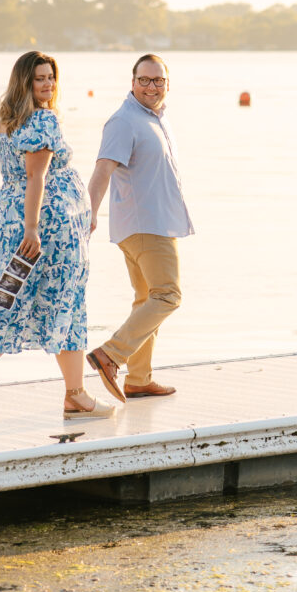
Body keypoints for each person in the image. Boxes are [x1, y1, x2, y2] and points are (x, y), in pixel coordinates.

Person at [0, 51, 114, 422]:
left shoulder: (10, 121)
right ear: (25, 82)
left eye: (51, 77)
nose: (48, 84)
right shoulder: (43, 121)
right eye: (40, 78)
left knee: (12, 299)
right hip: (47, 232)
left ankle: (71, 393)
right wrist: (33, 228)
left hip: (14, 223)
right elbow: (36, 177)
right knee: (58, 301)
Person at [86, 54, 194, 402]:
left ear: (167, 83)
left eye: (158, 80)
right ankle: (111, 355)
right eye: (144, 80)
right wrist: (89, 213)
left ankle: (138, 378)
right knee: (168, 295)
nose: (151, 87)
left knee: (147, 299)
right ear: (132, 82)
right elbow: (103, 170)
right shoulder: (125, 121)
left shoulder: (157, 119)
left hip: (153, 223)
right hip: (147, 226)